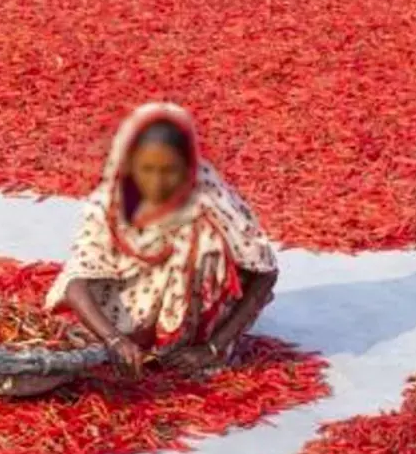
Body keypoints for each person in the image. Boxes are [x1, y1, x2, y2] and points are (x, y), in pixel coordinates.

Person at [48, 102, 277, 379]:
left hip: (199, 332)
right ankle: (140, 339)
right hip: (126, 322)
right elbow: (75, 283)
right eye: (147, 170)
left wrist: (214, 347)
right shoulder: (113, 201)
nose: (157, 182)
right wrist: (115, 340)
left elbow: (265, 272)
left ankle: (184, 339)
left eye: (169, 171)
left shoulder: (209, 193)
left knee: (203, 239)